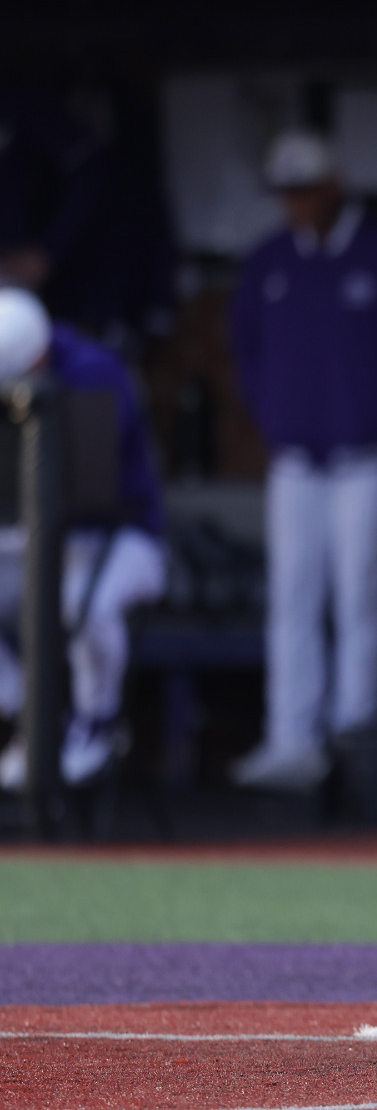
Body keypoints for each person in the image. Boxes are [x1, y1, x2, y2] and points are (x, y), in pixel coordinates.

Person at [227, 132, 377, 791]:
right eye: (286, 193)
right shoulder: (270, 262)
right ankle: (291, 737)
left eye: (307, 190)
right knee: (292, 598)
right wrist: (274, 416)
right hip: (297, 458)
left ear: (336, 185)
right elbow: (247, 350)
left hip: (374, 456)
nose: (296, 205)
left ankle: (355, 738)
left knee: (360, 594)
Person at [0, 289, 166, 790]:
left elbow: (83, 488)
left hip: (119, 537)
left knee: (82, 604)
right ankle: (30, 713)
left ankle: (96, 722)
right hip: (25, 538)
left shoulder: (94, 373)